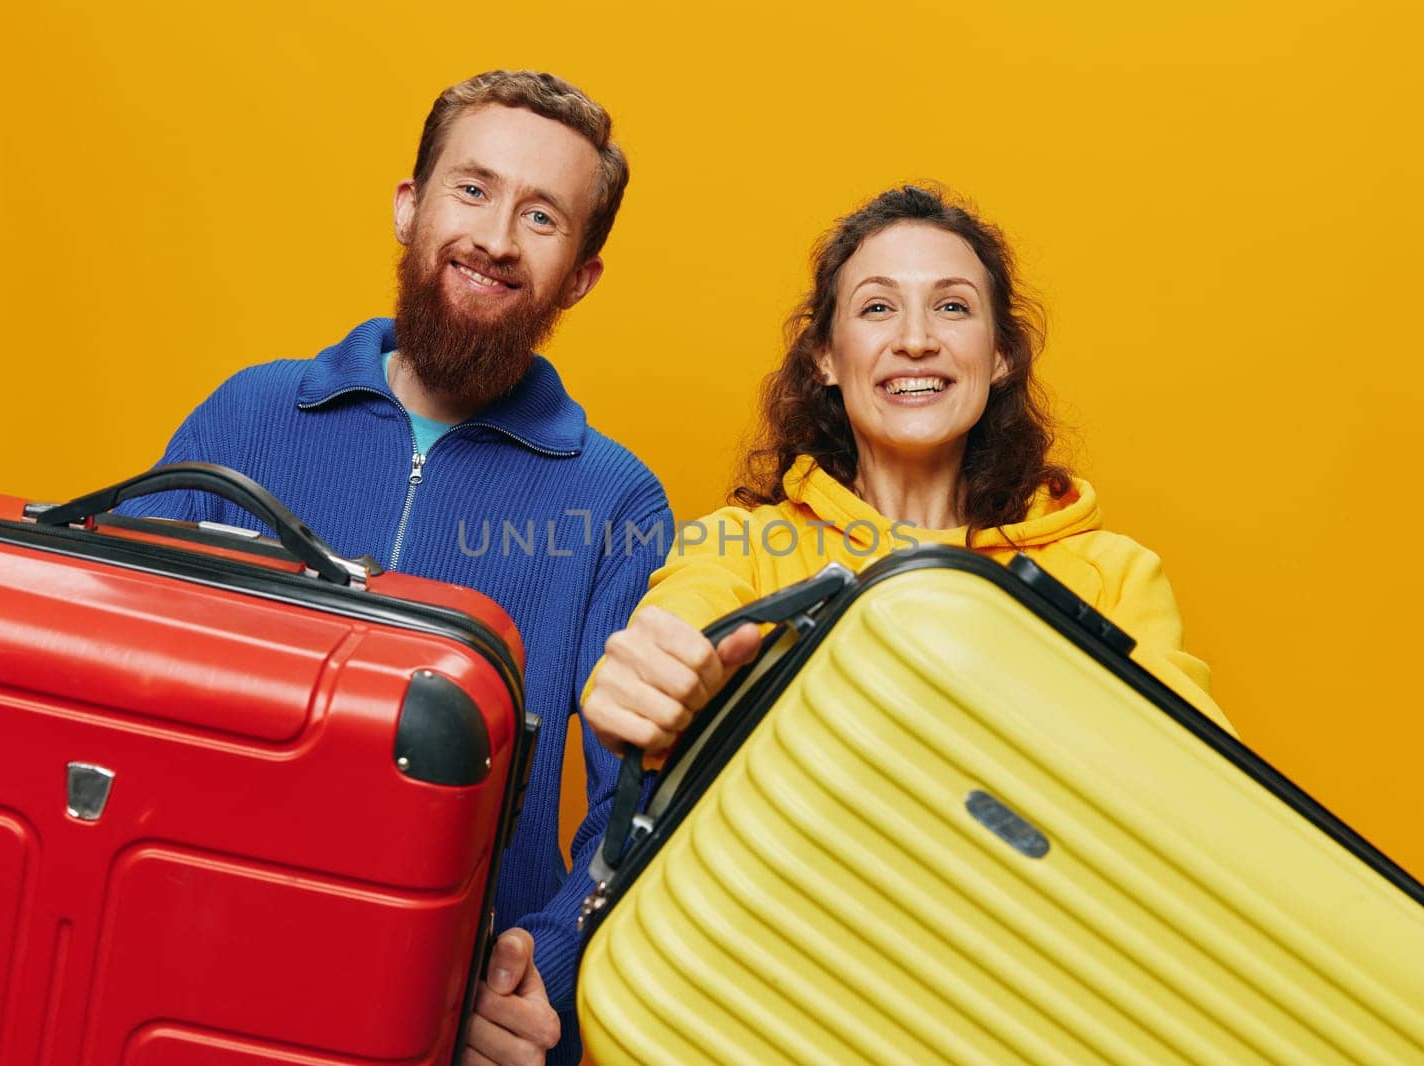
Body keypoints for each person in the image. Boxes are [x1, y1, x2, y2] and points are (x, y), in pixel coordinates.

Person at [117, 70, 670, 1065]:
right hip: (188, 963)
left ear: (581, 274)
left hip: (445, 1013)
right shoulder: (245, 415)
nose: (496, 237)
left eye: (541, 216)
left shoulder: (618, 502)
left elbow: (640, 807)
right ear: (409, 207)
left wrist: (539, 974)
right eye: (472, 189)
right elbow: (108, 676)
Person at [582, 184, 1234, 761]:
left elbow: (1203, 776)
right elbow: (679, 625)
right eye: (876, 308)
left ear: (1002, 355)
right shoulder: (740, 549)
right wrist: (648, 679)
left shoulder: (1115, 575)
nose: (917, 339)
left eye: (952, 307)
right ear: (825, 359)